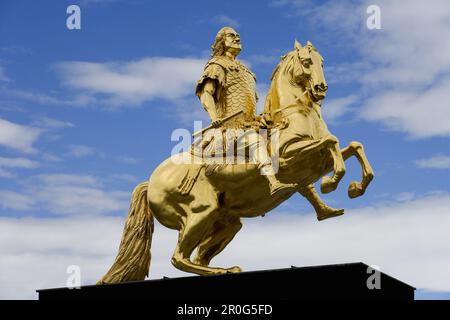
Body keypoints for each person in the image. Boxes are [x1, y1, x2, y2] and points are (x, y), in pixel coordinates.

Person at [194, 27, 296, 196]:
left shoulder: (246, 71)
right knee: (255, 141)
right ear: (222, 42)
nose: (237, 38)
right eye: (231, 36)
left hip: (249, 124)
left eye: (238, 36)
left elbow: (249, 106)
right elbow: (206, 94)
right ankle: (272, 183)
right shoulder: (217, 65)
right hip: (229, 128)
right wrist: (215, 118)